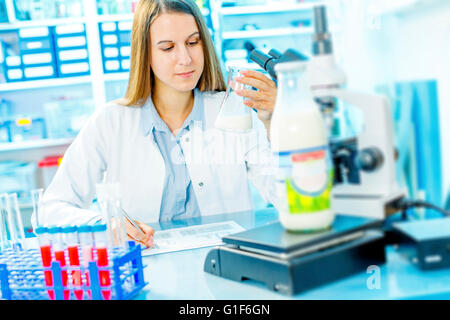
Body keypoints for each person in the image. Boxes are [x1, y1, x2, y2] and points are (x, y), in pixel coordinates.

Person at [31, 0, 278, 248]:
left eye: (193, 42)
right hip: (145, 271)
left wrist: (274, 124)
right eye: (168, 47)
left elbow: (291, 199)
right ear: (145, 54)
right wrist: (106, 224)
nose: (186, 58)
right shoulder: (111, 121)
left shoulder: (234, 111)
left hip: (227, 267)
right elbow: (48, 210)